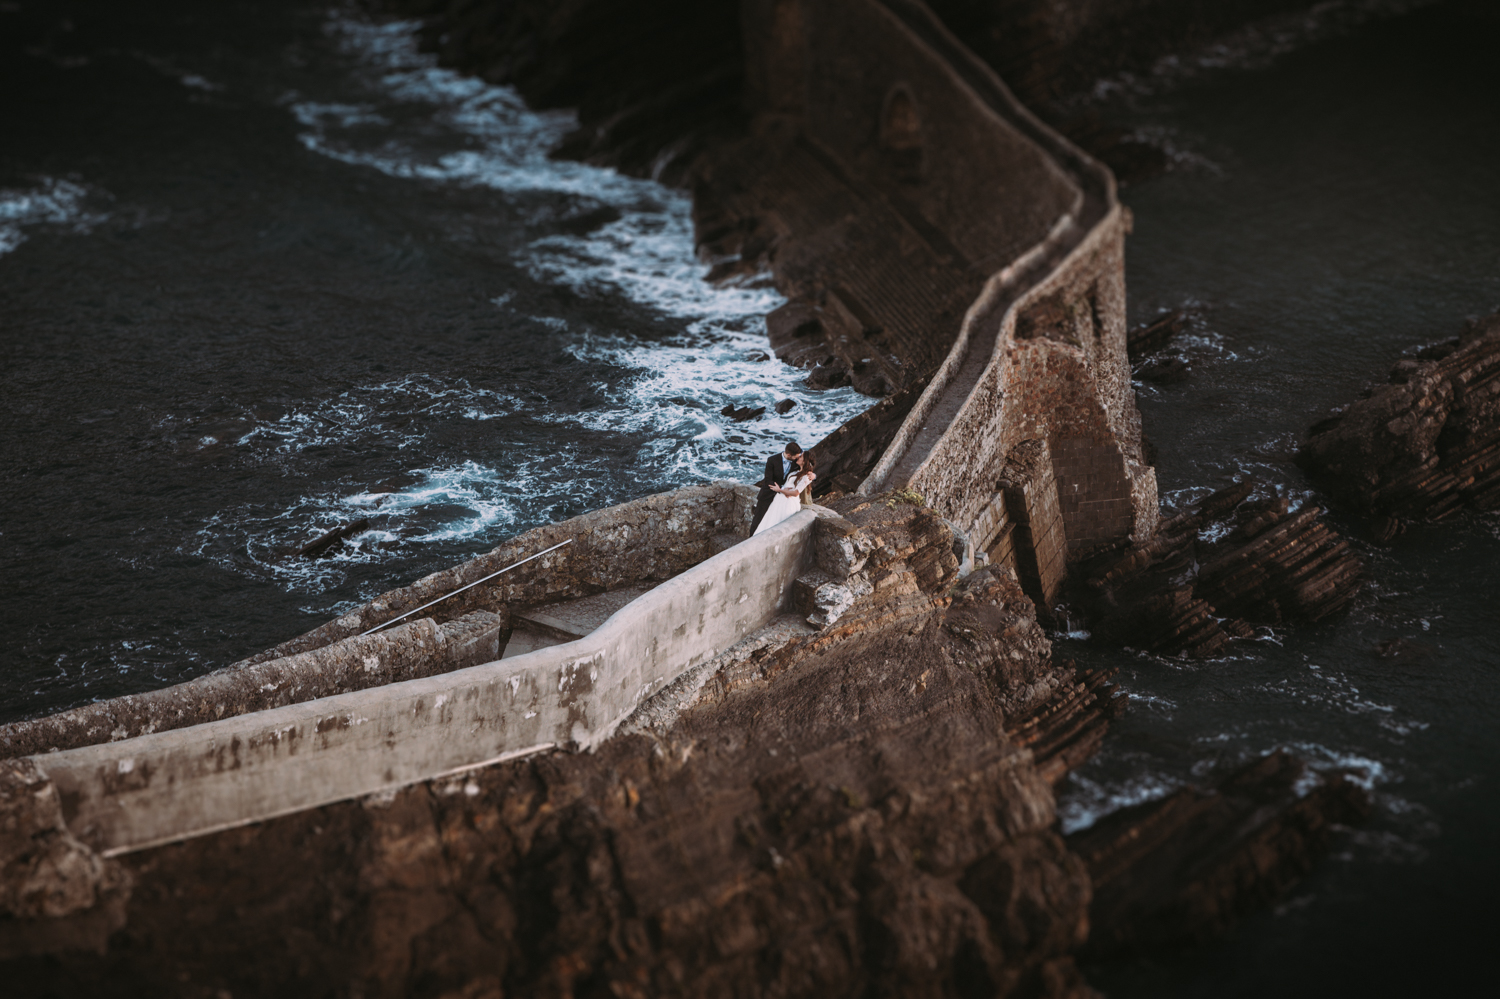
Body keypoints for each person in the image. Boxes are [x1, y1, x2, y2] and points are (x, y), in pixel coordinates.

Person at [753, 449, 816, 536]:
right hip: (775, 498)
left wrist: (780, 490)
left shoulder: (805, 474)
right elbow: (769, 479)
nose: (799, 456)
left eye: (801, 456)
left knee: (778, 525)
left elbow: (796, 492)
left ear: (804, 461)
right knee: (766, 521)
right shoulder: (794, 468)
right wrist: (783, 491)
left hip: (787, 501)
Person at [749, 441, 802, 534]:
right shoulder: (772, 460)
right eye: (796, 456)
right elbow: (768, 480)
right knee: (758, 520)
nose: (798, 457)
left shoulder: (796, 463)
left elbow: (805, 470)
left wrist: (813, 476)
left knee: (774, 522)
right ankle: (750, 541)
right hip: (768, 495)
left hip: (783, 499)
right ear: (789, 455)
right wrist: (781, 489)